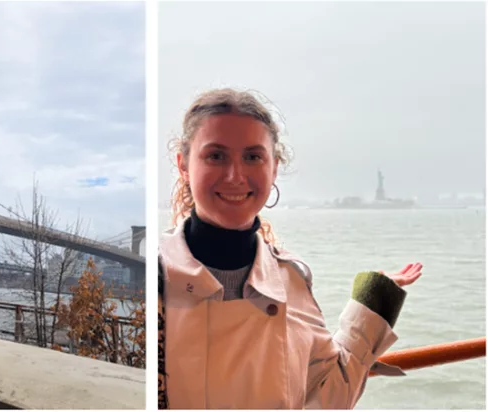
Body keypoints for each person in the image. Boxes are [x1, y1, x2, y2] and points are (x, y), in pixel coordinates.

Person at [158, 89, 423, 409]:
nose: (235, 175)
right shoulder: (157, 277)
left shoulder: (292, 280)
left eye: (253, 157)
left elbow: (328, 396)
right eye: (216, 156)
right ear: (183, 165)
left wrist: (373, 302)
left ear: (274, 168)